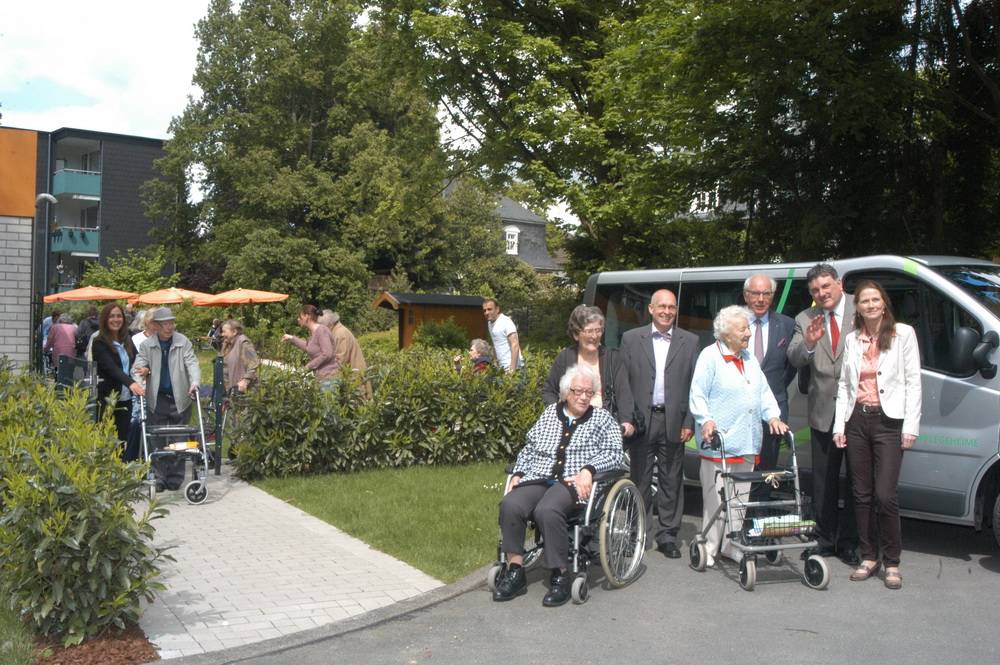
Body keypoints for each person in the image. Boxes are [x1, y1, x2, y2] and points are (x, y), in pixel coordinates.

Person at [492, 364, 623, 606]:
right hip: (539, 476)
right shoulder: (551, 413)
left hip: (574, 482)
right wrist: (520, 471)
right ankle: (515, 570)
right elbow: (529, 447)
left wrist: (589, 470)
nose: (584, 397)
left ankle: (561, 575)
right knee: (511, 503)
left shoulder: (603, 419)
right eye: (578, 391)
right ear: (565, 392)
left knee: (547, 510)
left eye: (589, 392)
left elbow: (615, 453)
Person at [833, 281, 921, 589]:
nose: (870, 305)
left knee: (885, 495)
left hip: (889, 423)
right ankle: (869, 556)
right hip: (857, 420)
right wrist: (839, 426)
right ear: (856, 307)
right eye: (864, 301)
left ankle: (892, 561)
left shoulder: (903, 334)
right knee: (861, 494)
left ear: (884, 303)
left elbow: (913, 383)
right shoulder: (853, 339)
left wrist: (911, 427)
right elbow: (845, 386)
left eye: (875, 299)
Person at [689, 305, 788, 567]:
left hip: (747, 440)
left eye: (748, 328)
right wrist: (706, 419)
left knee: (740, 499)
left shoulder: (749, 359)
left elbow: (764, 392)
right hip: (718, 441)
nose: (748, 333)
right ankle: (709, 546)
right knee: (716, 499)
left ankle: (730, 545)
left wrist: (774, 417)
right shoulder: (709, 356)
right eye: (743, 328)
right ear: (726, 333)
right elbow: (697, 393)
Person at [788, 263, 860, 567]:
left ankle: (851, 542)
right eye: (815, 290)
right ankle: (825, 539)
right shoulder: (805, 318)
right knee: (823, 481)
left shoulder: (864, 305)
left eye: (826, 287)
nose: (822, 294)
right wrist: (809, 343)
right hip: (822, 413)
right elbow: (793, 356)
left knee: (858, 481)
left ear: (839, 284)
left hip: (858, 412)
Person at [620, 289, 699, 559]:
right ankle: (637, 532)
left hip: (674, 420)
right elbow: (624, 383)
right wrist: (627, 418)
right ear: (651, 309)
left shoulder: (690, 341)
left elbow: (693, 385)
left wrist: (689, 419)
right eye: (662, 307)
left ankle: (668, 535)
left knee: (671, 479)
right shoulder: (631, 339)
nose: (667, 312)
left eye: (672, 307)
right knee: (639, 478)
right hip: (643, 420)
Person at [743, 274, 797, 502]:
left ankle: (758, 521)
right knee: (739, 469)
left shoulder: (786, 324)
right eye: (755, 293)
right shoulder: (734, 322)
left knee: (767, 469)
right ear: (746, 295)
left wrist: (771, 392)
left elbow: (791, 365)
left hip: (772, 411)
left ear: (773, 297)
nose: (760, 298)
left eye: (766, 293)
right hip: (739, 410)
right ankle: (736, 522)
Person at [542, 305, 635, 437]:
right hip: (570, 427)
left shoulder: (613, 358)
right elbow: (548, 391)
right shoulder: (565, 357)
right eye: (589, 331)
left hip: (605, 428)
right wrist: (560, 414)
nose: (594, 336)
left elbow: (624, 392)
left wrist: (626, 421)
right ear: (576, 334)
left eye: (598, 330)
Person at [91, 303, 145, 454]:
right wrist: (131, 383)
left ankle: (119, 473)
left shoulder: (126, 339)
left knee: (122, 440)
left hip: (125, 397)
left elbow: (136, 360)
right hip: (107, 397)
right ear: (105, 319)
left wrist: (144, 368)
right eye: (112, 316)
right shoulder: (99, 342)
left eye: (119, 316)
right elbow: (111, 368)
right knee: (106, 439)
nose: (116, 319)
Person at [132, 307, 201, 426]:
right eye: (165, 324)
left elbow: (192, 363)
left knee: (180, 441)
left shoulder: (183, 341)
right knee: (157, 439)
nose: (169, 327)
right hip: (157, 399)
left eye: (171, 323)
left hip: (180, 398)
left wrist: (195, 382)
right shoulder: (147, 345)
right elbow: (137, 368)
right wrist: (139, 384)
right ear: (156, 326)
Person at [282, 304, 339, 389]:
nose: (298, 319)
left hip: (329, 379)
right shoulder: (314, 332)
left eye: (300, 316)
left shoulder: (321, 331)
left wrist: (308, 366)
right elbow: (309, 347)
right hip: (322, 379)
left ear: (307, 316)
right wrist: (291, 338)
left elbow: (327, 353)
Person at [482, 298, 524, 372]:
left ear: (497, 309)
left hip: (514, 369)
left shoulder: (505, 322)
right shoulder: (490, 323)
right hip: (501, 368)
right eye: (484, 310)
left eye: (489, 309)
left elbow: (515, 345)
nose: (486, 312)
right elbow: (495, 343)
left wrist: (512, 370)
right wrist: (495, 362)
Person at [220, 319, 259, 394]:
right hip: (230, 389)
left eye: (224, 332)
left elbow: (253, 364)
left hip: (242, 391)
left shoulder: (244, 343)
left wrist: (245, 380)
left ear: (234, 332)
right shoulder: (227, 343)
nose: (222, 334)